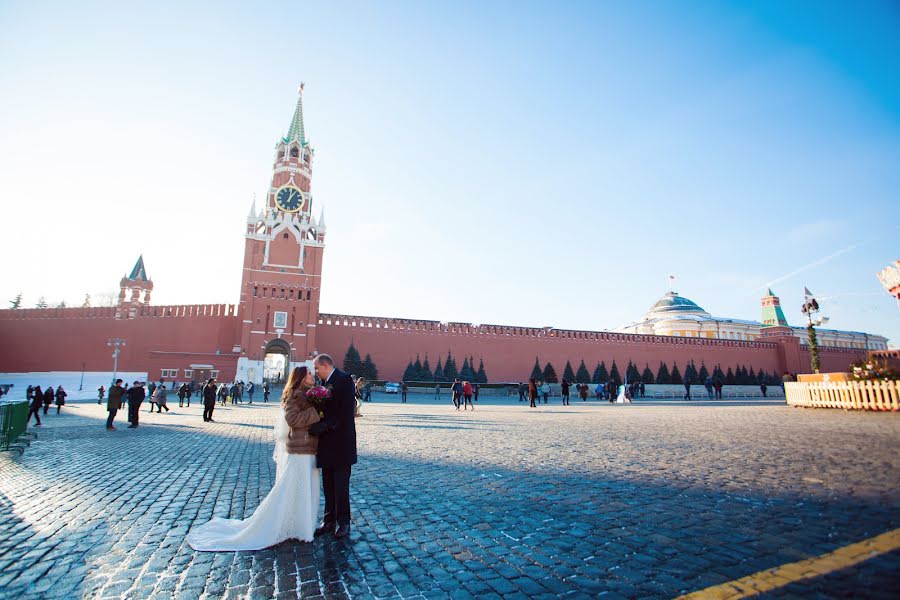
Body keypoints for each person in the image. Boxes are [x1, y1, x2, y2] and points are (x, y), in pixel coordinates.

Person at [187, 366, 321, 550]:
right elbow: (292, 420)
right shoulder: (296, 395)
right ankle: (293, 525)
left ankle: (300, 524)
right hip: (299, 450)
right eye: (310, 374)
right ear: (300, 377)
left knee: (302, 486)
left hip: (306, 448)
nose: (313, 376)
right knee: (293, 487)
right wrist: (317, 413)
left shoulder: (305, 393)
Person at [309, 354, 358, 539]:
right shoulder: (321, 384)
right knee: (328, 484)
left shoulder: (344, 380)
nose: (315, 371)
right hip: (326, 442)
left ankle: (343, 522)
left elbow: (345, 412)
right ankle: (328, 521)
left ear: (324, 365)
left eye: (316, 368)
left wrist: (326, 425)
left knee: (341, 486)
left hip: (341, 443)